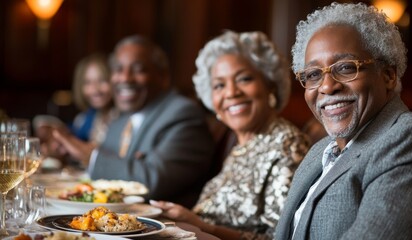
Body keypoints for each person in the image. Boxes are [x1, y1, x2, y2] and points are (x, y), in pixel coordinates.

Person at [275, 3, 412, 240]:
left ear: (388, 75)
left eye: (346, 68)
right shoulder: (320, 151)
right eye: (314, 74)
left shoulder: (410, 140)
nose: (327, 86)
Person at [150, 31, 310, 240]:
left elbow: (280, 237)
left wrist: (202, 226)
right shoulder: (240, 145)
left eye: (244, 79)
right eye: (219, 85)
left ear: (270, 85)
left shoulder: (288, 144)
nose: (231, 92)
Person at [52, 35, 215, 208]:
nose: (125, 78)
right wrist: (69, 153)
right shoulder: (123, 117)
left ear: (163, 76)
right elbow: (110, 168)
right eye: (118, 70)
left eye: (138, 70)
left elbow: (150, 181)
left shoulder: (182, 114)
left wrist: (90, 155)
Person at [71, 53, 118, 145]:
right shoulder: (85, 119)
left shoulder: (124, 120)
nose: (95, 89)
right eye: (88, 82)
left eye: (102, 80)